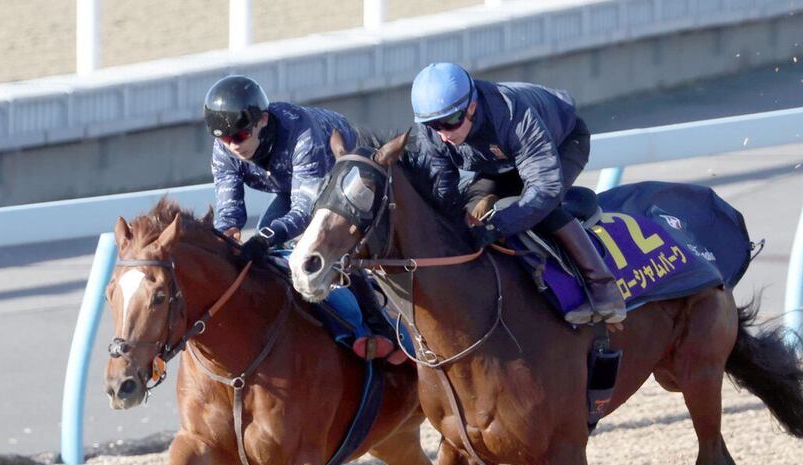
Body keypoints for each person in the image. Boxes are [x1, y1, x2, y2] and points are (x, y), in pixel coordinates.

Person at [203, 74, 402, 361]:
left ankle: (379, 327)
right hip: (288, 185)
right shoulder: (225, 150)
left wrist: (265, 237)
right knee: (264, 247)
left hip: (336, 168)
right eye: (223, 138)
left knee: (330, 243)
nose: (233, 146)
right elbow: (230, 211)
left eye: (240, 136)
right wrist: (227, 238)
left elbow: (303, 210)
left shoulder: (301, 134)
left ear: (263, 121)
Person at [410, 63, 626, 324]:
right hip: (495, 161)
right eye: (434, 125)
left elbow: (544, 189)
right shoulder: (432, 132)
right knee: (471, 212)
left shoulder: (512, 114)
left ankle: (603, 287)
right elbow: (442, 191)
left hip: (560, 144)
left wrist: (499, 225)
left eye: (451, 122)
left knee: (541, 211)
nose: (444, 134)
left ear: (471, 106)